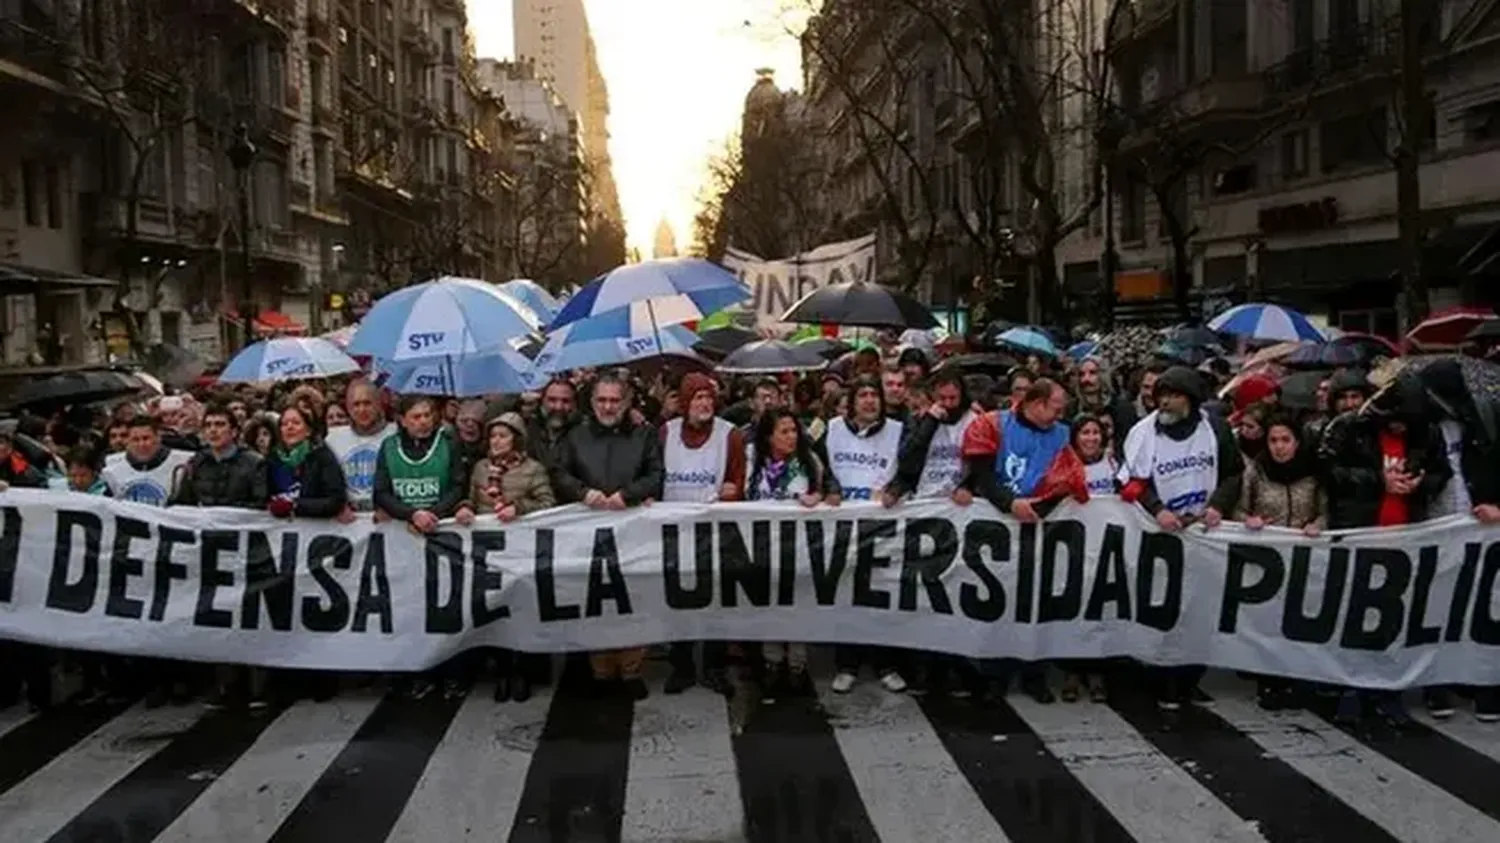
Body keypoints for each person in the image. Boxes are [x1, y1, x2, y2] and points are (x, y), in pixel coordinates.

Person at [1320, 371, 1452, 726]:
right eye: (1395, 423)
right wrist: (1380, 481)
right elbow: (1329, 472)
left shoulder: (1427, 432)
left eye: (1406, 425)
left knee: (1394, 620)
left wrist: (1423, 484)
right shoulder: (1350, 427)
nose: (1400, 430)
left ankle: (1388, 693)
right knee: (1353, 614)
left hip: (1406, 537)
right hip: (1361, 533)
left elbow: (1443, 473)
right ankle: (1351, 688)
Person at [1116, 365, 1242, 711]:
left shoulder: (1215, 430)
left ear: (1190, 399)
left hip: (1203, 534)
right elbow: (1130, 482)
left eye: (1173, 396)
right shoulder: (1143, 433)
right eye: (1161, 396)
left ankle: (1189, 678)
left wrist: (1218, 505)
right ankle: (1158, 677)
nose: (1165, 403)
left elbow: (1233, 473)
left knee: (1199, 609)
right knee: (1161, 607)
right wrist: (1158, 509)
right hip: (1161, 535)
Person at [963, 377, 1086, 704]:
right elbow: (982, 475)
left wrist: (1039, 507)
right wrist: (1010, 504)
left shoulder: (1062, 434)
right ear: (1035, 403)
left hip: (1040, 527)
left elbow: (1070, 481)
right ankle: (995, 675)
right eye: (1054, 409)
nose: (1058, 417)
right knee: (996, 601)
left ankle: (1035, 674)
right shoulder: (992, 424)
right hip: (997, 526)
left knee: (1038, 602)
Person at [553, 374, 664, 700]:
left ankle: (631, 669)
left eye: (615, 400)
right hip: (588, 532)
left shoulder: (644, 435)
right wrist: (583, 492)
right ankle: (600, 669)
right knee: (595, 599)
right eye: (602, 400)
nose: (608, 406)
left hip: (632, 531)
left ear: (626, 402)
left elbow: (656, 474)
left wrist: (628, 495)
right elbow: (559, 472)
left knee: (634, 597)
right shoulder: (576, 436)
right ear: (592, 402)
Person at [1207, 414, 1325, 710]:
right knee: (1268, 621)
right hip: (1267, 561)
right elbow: (1238, 510)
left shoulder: (1313, 473)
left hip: (1303, 558)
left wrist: (1318, 525)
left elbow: (1325, 509)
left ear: (1297, 442)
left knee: (1300, 619)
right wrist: (1249, 520)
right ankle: (1268, 680)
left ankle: (1297, 679)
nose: (1279, 447)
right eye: (1273, 440)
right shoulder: (1256, 472)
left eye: (1286, 440)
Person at [885, 369, 980, 696]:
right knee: (926, 594)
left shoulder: (974, 420)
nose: (949, 405)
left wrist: (968, 485)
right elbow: (907, 461)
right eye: (942, 399)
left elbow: (983, 463)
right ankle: (928, 668)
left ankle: (958, 666)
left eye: (954, 399)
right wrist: (929, 422)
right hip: (925, 514)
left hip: (959, 517)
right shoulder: (920, 420)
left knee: (957, 593)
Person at [1416, 359, 1500, 721]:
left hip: (1480, 531)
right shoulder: (1421, 427)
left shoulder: (1485, 423)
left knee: (1483, 609)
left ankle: (1485, 685)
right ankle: (1438, 686)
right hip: (1437, 527)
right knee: (1436, 610)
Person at [173, 403, 270, 709]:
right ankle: (225, 684)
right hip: (210, 553)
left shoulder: (254, 464)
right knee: (217, 617)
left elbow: (261, 504)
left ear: (234, 431)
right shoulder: (196, 465)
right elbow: (180, 503)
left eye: (220, 424)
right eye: (209, 425)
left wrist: (226, 517)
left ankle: (257, 685)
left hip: (246, 552)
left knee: (249, 616)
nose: (213, 430)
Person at [456, 412, 556, 703]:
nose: (497, 441)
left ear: (517, 439)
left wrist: (519, 507)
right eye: (493, 436)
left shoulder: (533, 469)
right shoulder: (480, 468)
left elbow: (548, 502)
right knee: (495, 610)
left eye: (504, 435)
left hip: (521, 550)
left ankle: (522, 670)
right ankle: (501, 671)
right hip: (487, 552)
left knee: (521, 609)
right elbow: (471, 499)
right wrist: (464, 508)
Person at [373, 395, 469, 700]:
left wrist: (434, 514)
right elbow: (381, 492)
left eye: (427, 415)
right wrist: (410, 514)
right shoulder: (389, 448)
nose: (423, 421)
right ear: (402, 419)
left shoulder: (447, 443)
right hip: (405, 537)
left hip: (441, 534)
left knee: (446, 608)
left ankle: (453, 673)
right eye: (416, 416)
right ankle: (418, 672)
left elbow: (458, 485)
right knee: (410, 610)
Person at [658, 373, 746, 695]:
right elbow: (655, 474)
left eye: (708, 397)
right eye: (697, 398)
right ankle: (681, 665)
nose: (705, 403)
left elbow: (739, 481)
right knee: (677, 600)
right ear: (684, 402)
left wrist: (733, 492)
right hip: (674, 533)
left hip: (715, 534)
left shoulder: (730, 435)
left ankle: (713, 666)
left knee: (715, 601)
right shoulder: (666, 433)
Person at [821, 376, 906, 695]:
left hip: (883, 525)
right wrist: (830, 487)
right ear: (852, 401)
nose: (870, 401)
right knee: (846, 595)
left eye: (875, 395)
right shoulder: (831, 429)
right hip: (843, 526)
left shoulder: (898, 430)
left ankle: (887, 664)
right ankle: (847, 665)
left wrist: (896, 489)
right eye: (863, 395)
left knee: (883, 596)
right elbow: (819, 465)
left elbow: (909, 467)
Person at [745, 407, 831, 702]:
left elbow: (830, 487)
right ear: (769, 437)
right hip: (762, 550)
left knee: (798, 605)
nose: (792, 436)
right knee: (768, 606)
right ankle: (772, 661)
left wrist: (819, 496)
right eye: (784, 431)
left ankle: (797, 665)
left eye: (794, 430)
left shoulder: (809, 462)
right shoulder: (751, 461)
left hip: (800, 551)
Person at [325, 380, 395, 517]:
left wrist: (391, 507)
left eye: (367, 403)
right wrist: (337, 507)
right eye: (356, 404)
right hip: (348, 519)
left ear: (379, 404)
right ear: (348, 408)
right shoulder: (333, 439)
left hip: (387, 517)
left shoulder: (396, 434)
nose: (362, 410)